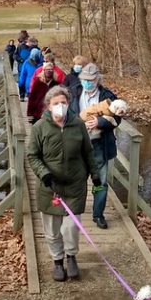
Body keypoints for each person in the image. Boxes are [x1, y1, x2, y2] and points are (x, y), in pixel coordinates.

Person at [28, 86, 100, 281]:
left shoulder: (78, 125)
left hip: (75, 185)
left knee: (71, 227)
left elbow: (88, 152)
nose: (60, 106)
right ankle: (57, 262)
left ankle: (71, 257)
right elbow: (32, 156)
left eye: (63, 103)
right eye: (55, 103)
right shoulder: (39, 128)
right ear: (48, 106)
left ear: (68, 104)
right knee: (52, 230)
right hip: (50, 187)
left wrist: (95, 175)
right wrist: (44, 174)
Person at [68, 62, 120, 230]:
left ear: (98, 79)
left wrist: (101, 122)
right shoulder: (73, 93)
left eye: (91, 80)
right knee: (77, 180)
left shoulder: (108, 96)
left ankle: (98, 215)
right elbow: (67, 114)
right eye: (85, 79)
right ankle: (74, 212)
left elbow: (118, 118)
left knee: (101, 182)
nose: (87, 83)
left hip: (100, 145)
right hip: (78, 144)